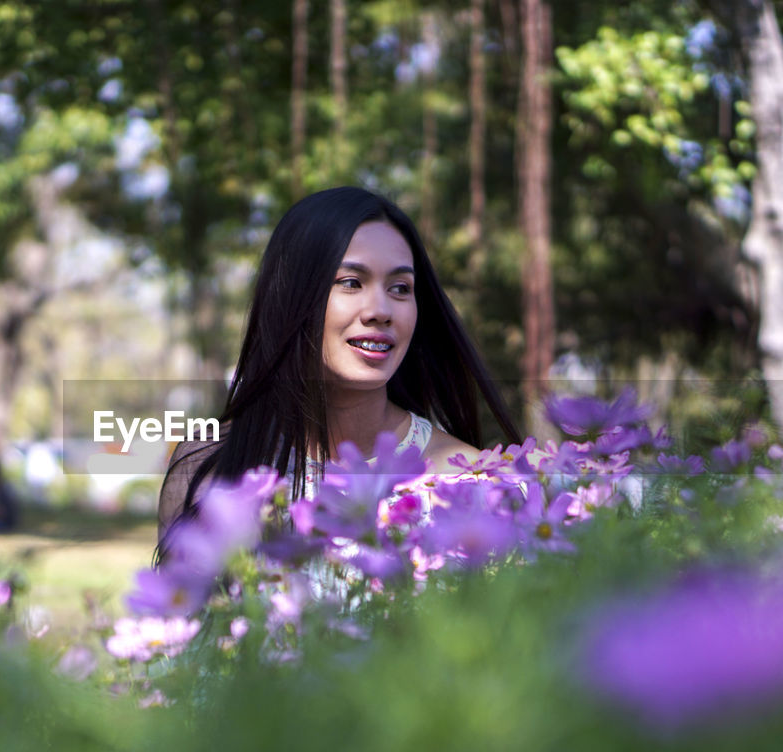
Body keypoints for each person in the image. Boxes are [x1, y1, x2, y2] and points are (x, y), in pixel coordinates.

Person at [157, 186, 521, 552]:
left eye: (400, 288)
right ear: (293, 297)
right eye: (351, 282)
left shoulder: (466, 482)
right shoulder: (207, 471)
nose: (380, 309)